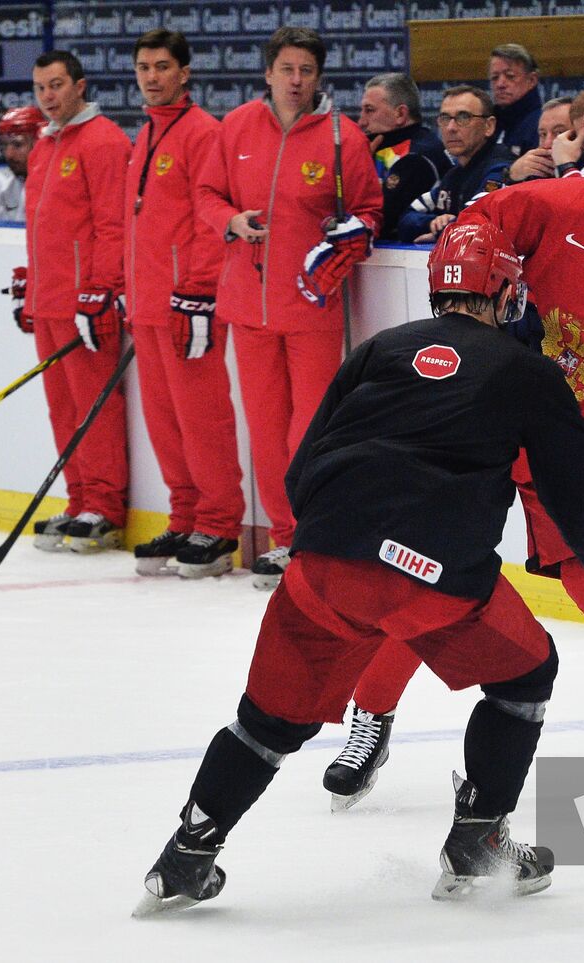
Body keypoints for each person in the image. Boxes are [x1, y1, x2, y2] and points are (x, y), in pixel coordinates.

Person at [136, 220, 584, 911]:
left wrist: (344, 534)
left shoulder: (380, 349)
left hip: (324, 564)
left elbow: (301, 476)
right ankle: (477, 841)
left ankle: (184, 857)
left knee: (265, 721)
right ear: (506, 292)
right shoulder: (527, 372)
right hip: (435, 577)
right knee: (527, 672)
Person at [323, 159, 584, 810]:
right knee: (431, 570)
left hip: (566, 438)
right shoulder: (570, 206)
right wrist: (483, 291)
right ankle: (371, 715)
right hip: (481, 410)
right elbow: (485, 219)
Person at [195, 26, 381, 587]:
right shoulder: (236, 129)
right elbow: (205, 195)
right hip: (248, 308)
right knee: (267, 430)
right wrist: (228, 221)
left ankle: (309, 535)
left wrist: (354, 233)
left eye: (306, 71)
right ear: (268, 73)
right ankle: (283, 539)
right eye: (287, 70)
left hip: (313, 306)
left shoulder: (343, 139)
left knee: (311, 430)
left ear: (319, 77)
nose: (296, 81)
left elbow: (370, 211)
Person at [123, 29, 245, 578]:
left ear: (184, 72)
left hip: (187, 303)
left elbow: (209, 218)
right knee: (164, 421)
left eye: (162, 66)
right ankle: (185, 514)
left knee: (203, 418)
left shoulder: (203, 134)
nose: (152, 76)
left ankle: (218, 525)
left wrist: (197, 289)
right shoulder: (145, 135)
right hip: (145, 305)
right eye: (144, 67)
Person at [19, 50, 133, 552]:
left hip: (84, 303)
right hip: (49, 302)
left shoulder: (103, 141)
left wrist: (101, 288)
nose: (48, 96)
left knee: (94, 407)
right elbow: (45, 227)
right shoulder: (45, 144)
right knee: (62, 410)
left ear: (80, 86)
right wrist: (31, 284)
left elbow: (113, 225)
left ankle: (104, 507)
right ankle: (78, 497)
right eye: (41, 86)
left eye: (57, 85)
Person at [397, 85, 511, 243]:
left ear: (489, 126)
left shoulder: (502, 166)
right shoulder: (453, 175)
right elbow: (405, 219)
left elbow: (475, 222)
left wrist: (441, 232)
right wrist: (432, 223)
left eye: (463, 117)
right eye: (444, 118)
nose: (451, 128)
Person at [357, 72, 451, 240]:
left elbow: (379, 220)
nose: (361, 121)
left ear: (400, 114)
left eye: (369, 110)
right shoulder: (379, 147)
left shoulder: (416, 156)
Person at [488, 43, 542, 158]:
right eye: (494, 77)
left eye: (510, 76)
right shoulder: (490, 125)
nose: (500, 84)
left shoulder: (542, 125)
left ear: (532, 80)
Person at [505, 95, 572, 183]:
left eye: (559, 132)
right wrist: (512, 176)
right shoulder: (535, 174)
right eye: (543, 134)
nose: (547, 144)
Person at [0, 104, 44, 223]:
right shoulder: (8, 188)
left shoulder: (59, 187)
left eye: (17, 145)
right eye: (4, 145)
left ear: (39, 143)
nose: (9, 154)